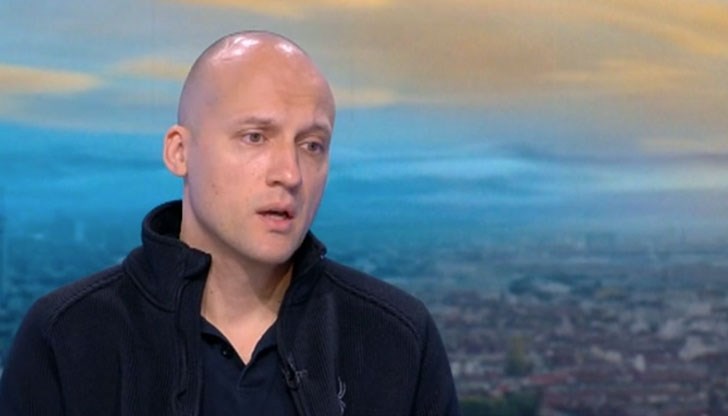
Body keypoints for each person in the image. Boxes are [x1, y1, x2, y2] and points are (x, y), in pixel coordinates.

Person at [0, 31, 460, 415]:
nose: (290, 173)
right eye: (255, 137)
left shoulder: (397, 338)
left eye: (312, 145)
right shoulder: (68, 336)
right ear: (180, 152)